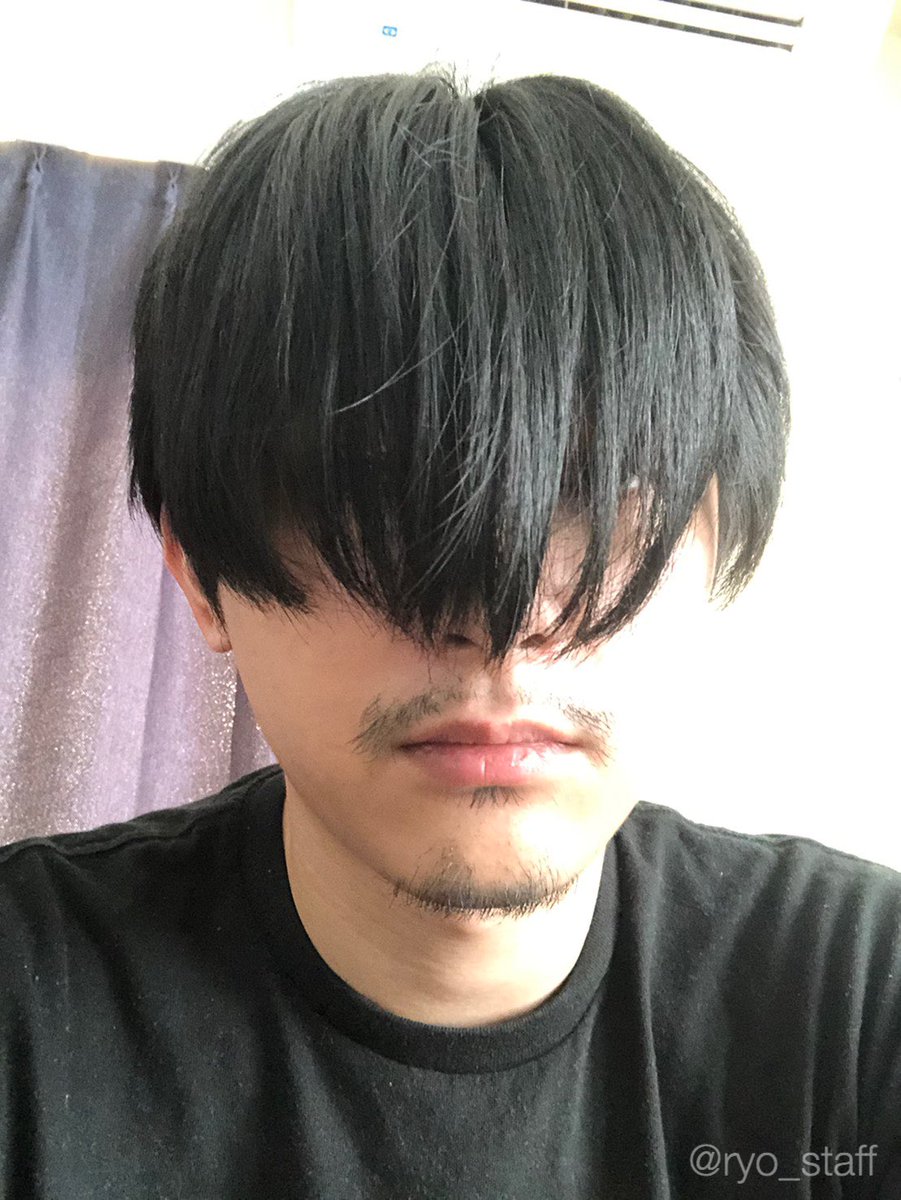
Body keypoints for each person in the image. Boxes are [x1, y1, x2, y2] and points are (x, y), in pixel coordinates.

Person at [1, 67, 898, 1200]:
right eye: (377, 502)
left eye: (605, 496)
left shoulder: (858, 1000)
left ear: (714, 537)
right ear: (199, 574)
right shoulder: (27, 1005)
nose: (501, 620)